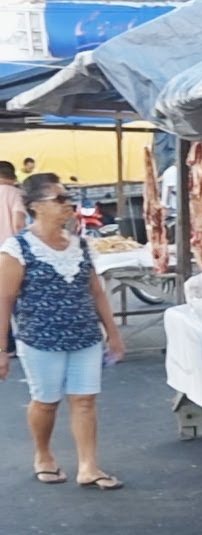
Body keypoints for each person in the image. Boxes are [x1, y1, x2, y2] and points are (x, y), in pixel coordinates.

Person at [0, 173, 126, 489]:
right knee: (46, 401)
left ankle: (89, 466)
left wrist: (113, 333)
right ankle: (43, 455)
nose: (68, 204)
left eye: (67, 198)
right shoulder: (17, 248)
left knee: (85, 400)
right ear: (35, 206)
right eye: (59, 199)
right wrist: (1, 349)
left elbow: (96, 292)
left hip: (85, 336)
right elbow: (5, 299)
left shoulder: (80, 244)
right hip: (39, 339)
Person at [0, 161, 25, 357]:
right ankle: (25, 340)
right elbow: (18, 223)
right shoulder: (15, 194)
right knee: (16, 298)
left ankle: (7, 347)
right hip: (11, 253)